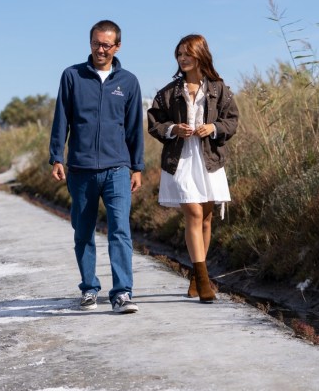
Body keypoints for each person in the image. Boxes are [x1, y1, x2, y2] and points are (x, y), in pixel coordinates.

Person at [49, 20, 144, 314]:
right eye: (95, 43)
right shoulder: (72, 76)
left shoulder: (128, 82)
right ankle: (89, 288)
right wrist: (56, 157)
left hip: (117, 168)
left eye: (106, 45)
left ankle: (122, 293)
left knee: (120, 230)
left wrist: (137, 167)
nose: (100, 50)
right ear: (89, 43)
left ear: (117, 47)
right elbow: (61, 119)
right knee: (83, 232)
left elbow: (134, 128)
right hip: (81, 169)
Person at [147, 34, 238, 303]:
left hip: (209, 159)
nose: (182, 59)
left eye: (187, 54)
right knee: (195, 213)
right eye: (179, 54)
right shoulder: (168, 92)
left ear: (200, 55)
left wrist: (214, 128)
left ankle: (195, 279)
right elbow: (154, 123)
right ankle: (204, 281)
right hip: (181, 161)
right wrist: (174, 129)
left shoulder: (219, 89)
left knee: (207, 218)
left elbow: (231, 122)